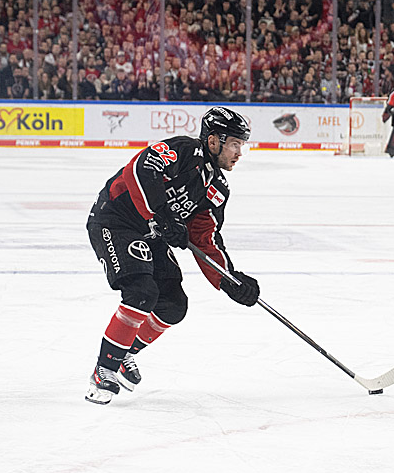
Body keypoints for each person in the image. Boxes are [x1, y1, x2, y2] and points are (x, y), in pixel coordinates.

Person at [84, 107, 261, 404]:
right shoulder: (184, 150)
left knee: (173, 305)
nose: (239, 152)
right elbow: (141, 169)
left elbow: (205, 238)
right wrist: (162, 214)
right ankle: (105, 369)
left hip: (152, 231)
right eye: (234, 143)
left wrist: (230, 279)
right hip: (116, 221)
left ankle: (125, 351)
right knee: (141, 292)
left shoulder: (216, 187)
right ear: (214, 140)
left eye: (241, 145)